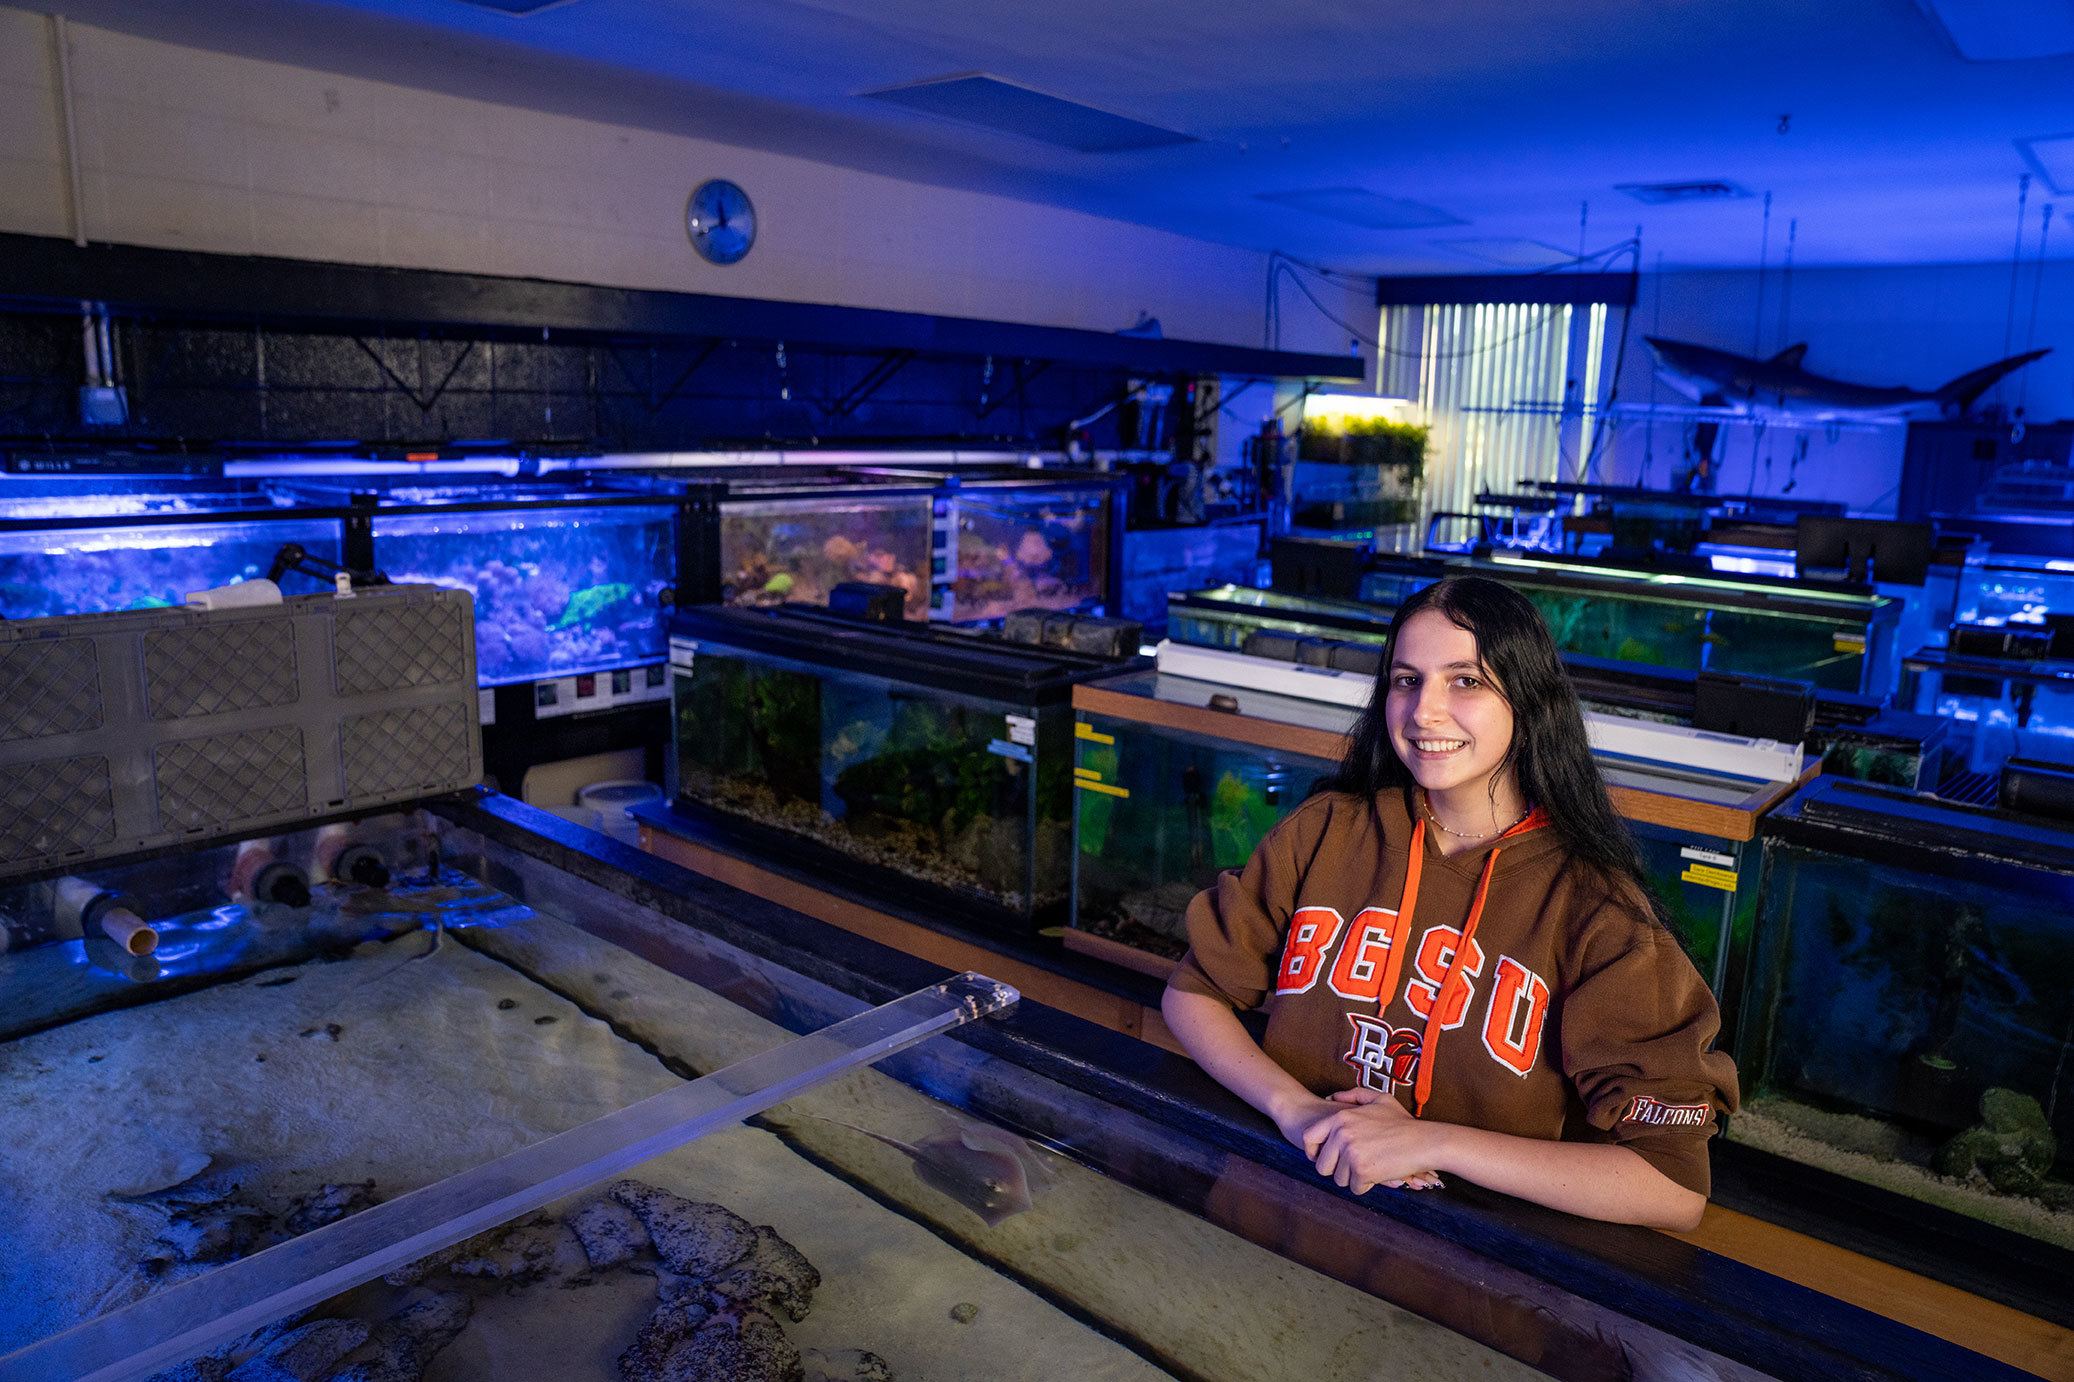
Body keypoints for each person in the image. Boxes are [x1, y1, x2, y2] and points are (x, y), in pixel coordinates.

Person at [1161, 575, 1737, 1230]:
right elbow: (1194, 992)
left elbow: (1672, 1186)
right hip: (1275, 1216)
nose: (1424, 711)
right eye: (1407, 680)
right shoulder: (1326, 830)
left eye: (1465, 680)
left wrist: (1434, 1140)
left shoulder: (1595, 909)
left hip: (1471, 1278)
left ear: (1527, 698)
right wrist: (1294, 1108)